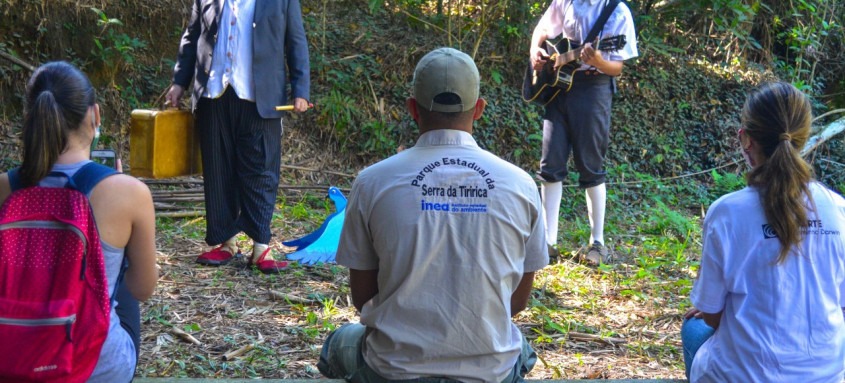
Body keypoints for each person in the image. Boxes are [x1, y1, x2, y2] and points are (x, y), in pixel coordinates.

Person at [317, 47, 549, 383]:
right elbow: (515, 302)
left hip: (393, 371)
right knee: (520, 349)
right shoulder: (520, 184)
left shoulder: (372, 181)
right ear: (479, 109)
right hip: (489, 372)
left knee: (338, 342)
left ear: (413, 109)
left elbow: (362, 297)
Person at [0, 61, 158, 382]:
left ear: (31, 119)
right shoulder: (130, 193)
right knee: (118, 274)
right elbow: (142, 289)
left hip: (11, 357)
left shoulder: (5, 188)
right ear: (95, 116)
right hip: (92, 367)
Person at [681, 82, 845, 382]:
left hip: (745, 376)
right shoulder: (838, 208)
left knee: (693, 328)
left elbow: (713, 316)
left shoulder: (726, 213)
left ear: (746, 140)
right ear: (804, 138)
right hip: (828, 375)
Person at [165, 0, 310, 273]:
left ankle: (261, 247)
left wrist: (301, 89)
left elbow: (296, 41)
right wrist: (179, 82)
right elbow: (192, 35)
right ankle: (225, 242)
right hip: (213, 94)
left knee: (261, 169)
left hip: (260, 97)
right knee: (218, 169)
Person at [530, 0, 638, 264]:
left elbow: (617, 68)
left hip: (594, 88)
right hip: (559, 88)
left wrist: (599, 60)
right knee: (550, 163)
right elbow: (542, 28)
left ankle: (597, 243)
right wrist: (535, 49)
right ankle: (548, 242)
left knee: (591, 164)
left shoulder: (618, 11)